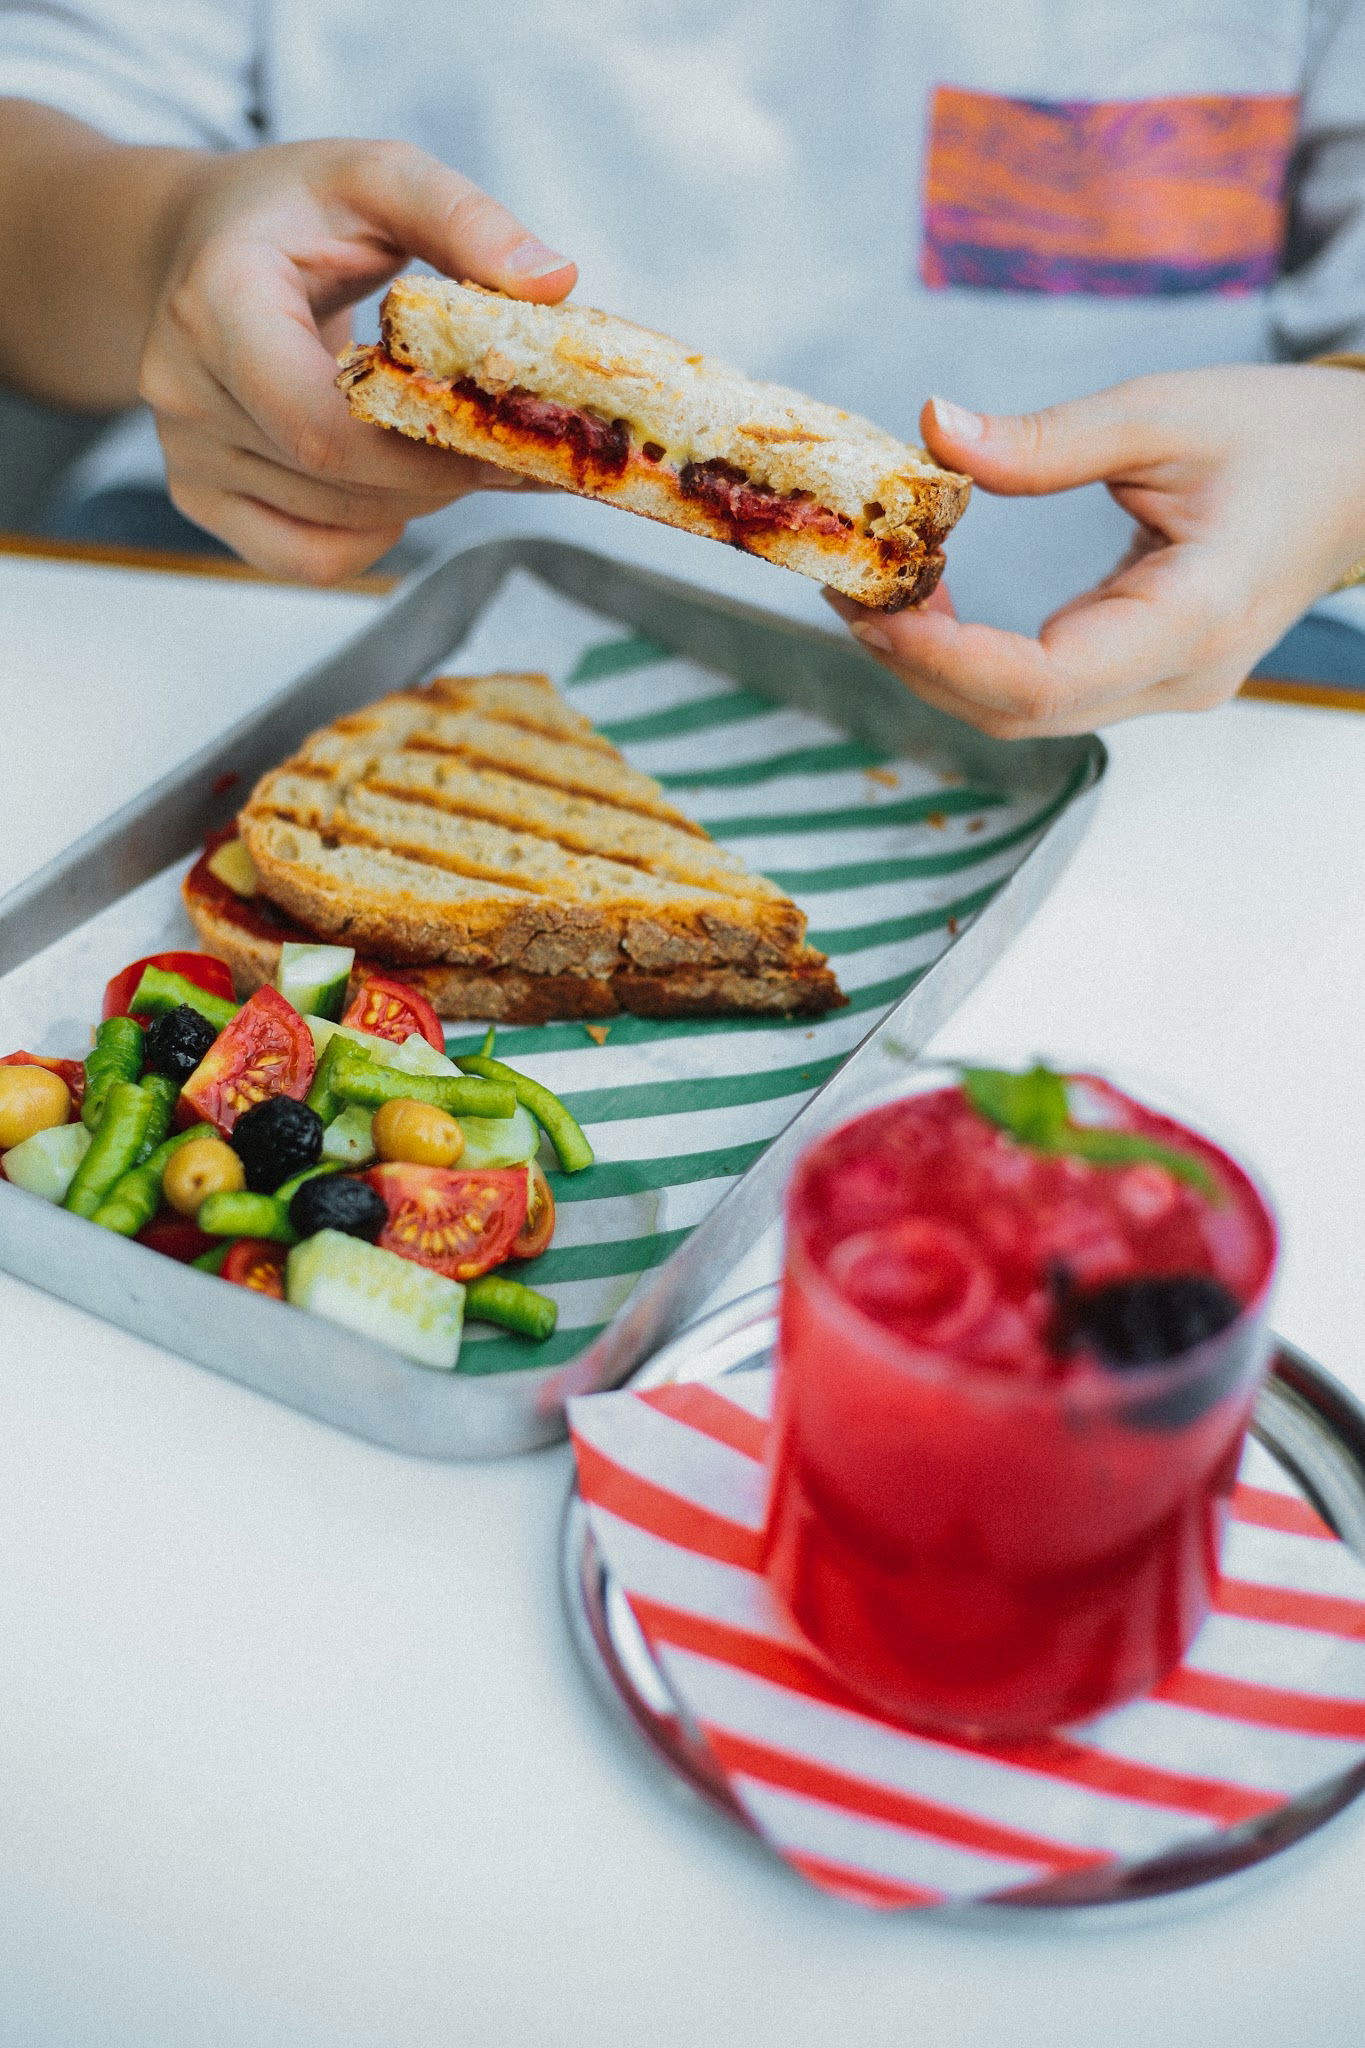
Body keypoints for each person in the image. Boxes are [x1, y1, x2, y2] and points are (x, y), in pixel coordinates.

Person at [1, 1, 1363, 737]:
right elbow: (39, 163)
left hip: (1168, 692)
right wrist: (172, 246)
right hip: (328, 616)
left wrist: (1342, 449)